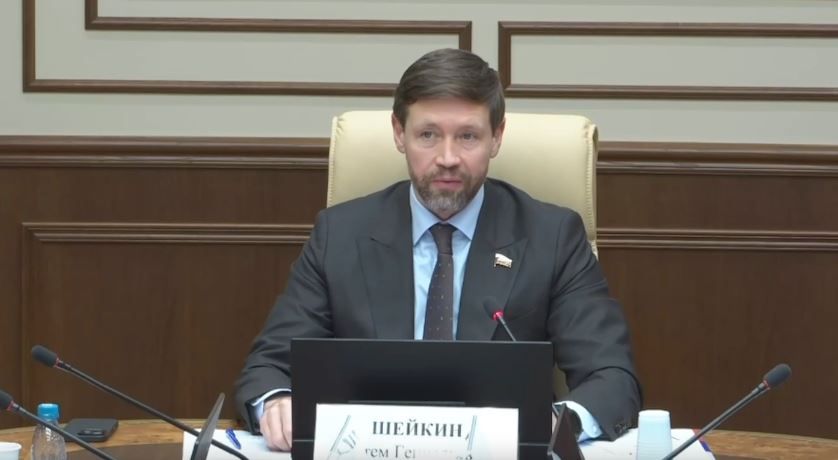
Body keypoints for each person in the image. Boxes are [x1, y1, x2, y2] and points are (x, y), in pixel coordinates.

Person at [235, 47, 642, 452]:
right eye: (428, 135)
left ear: (497, 137)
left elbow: (612, 378)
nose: (448, 158)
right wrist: (276, 403)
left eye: (468, 136)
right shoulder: (339, 235)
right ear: (399, 133)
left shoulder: (551, 236)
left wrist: (555, 424)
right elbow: (268, 367)